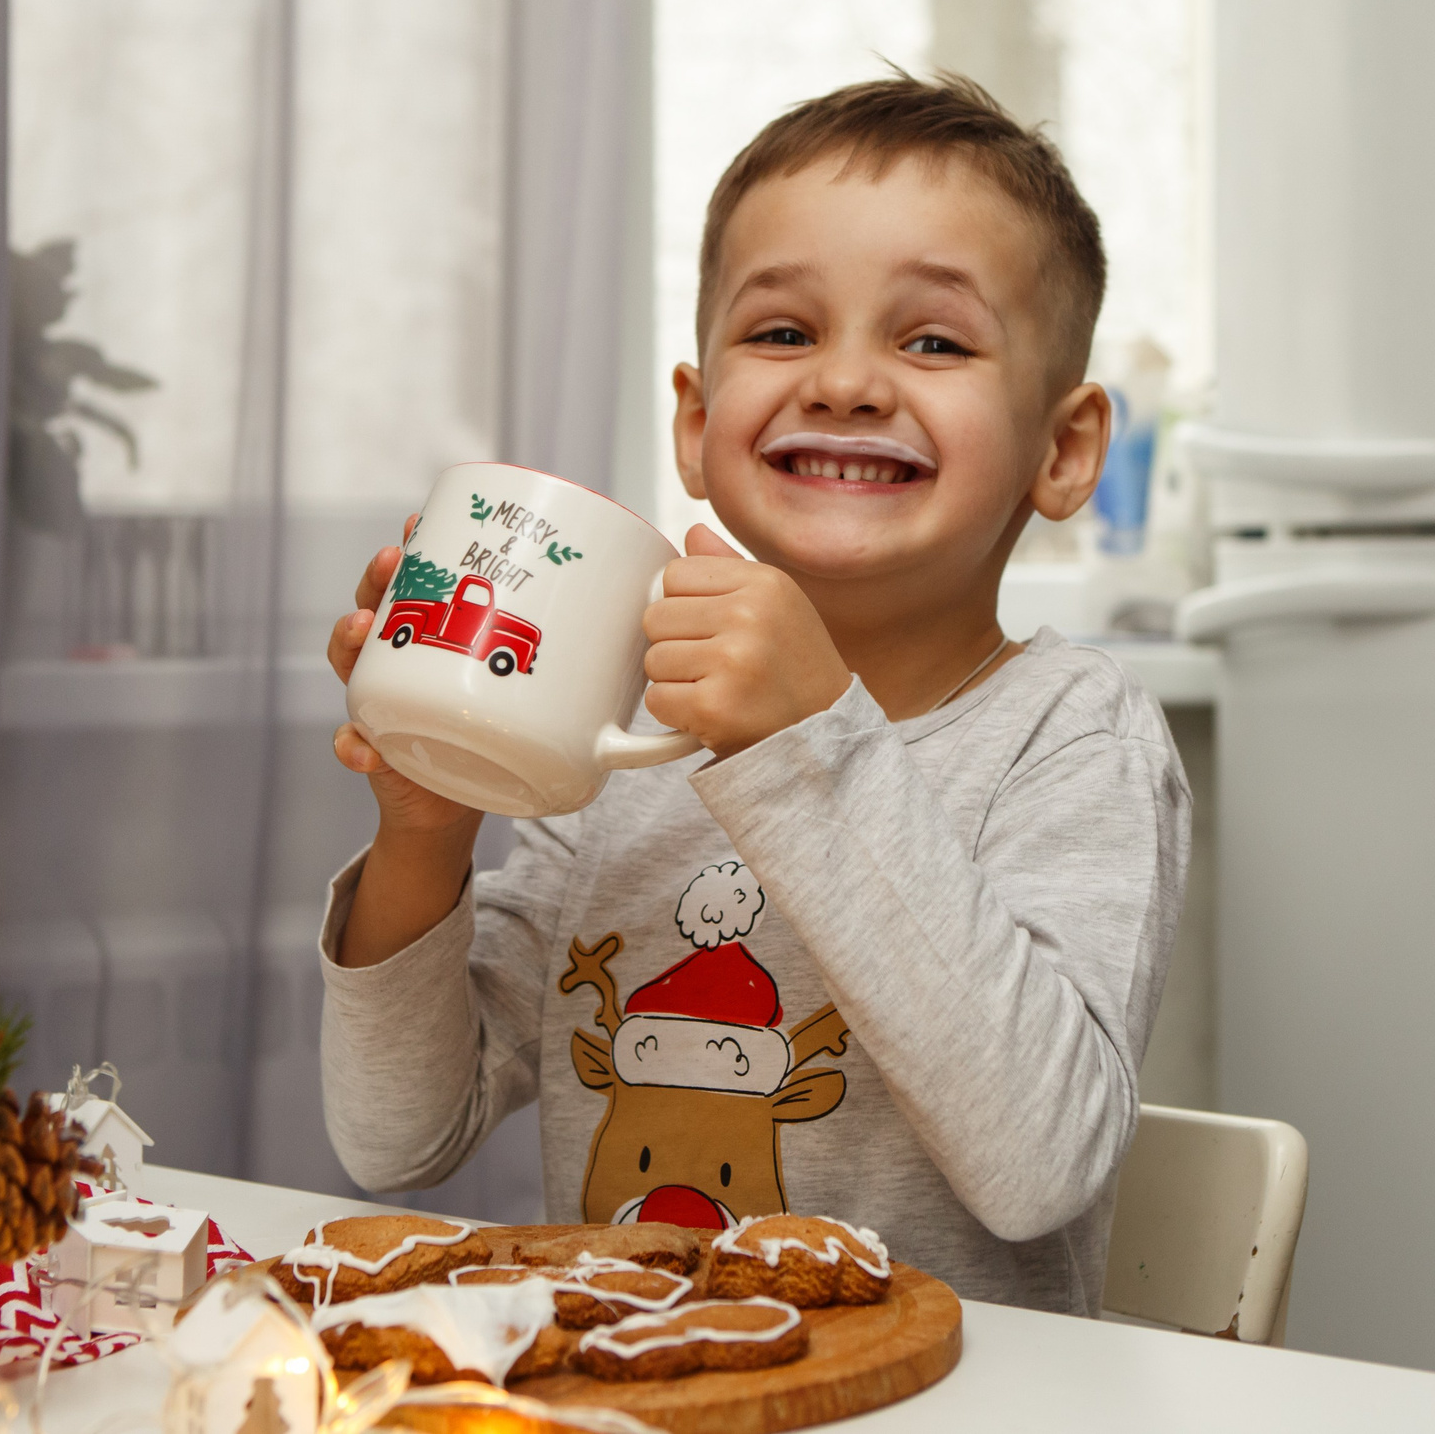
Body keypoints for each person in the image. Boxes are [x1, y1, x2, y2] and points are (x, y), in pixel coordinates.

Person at [316, 72, 1189, 1315]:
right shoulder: (617, 735)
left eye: (931, 340)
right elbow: (397, 1141)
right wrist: (428, 821)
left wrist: (804, 740)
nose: (843, 382)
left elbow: (1036, 1165)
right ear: (696, 418)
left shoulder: (1073, 735)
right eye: (783, 333)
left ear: (1062, 451)